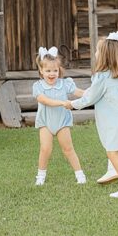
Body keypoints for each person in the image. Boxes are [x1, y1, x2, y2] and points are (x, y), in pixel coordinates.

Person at [68, 33, 118, 197]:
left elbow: (91, 97)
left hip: (114, 119)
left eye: (98, 51)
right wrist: (78, 92)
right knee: (111, 144)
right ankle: (112, 171)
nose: (96, 54)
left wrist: (71, 104)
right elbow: (94, 93)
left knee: (111, 149)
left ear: (105, 55)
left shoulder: (102, 77)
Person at [32, 47, 86, 186]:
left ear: (59, 70)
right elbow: (44, 100)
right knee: (45, 149)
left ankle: (80, 174)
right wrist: (62, 102)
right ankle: (41, 176)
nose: (52, 74)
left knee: (68, 149)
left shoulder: (64, 84)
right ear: (41, 71)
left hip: (62, 122)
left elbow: (78, 92)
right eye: (48, 71)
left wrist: (91, 94)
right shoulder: (38, 86)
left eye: (55, 71)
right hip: (46, 122)